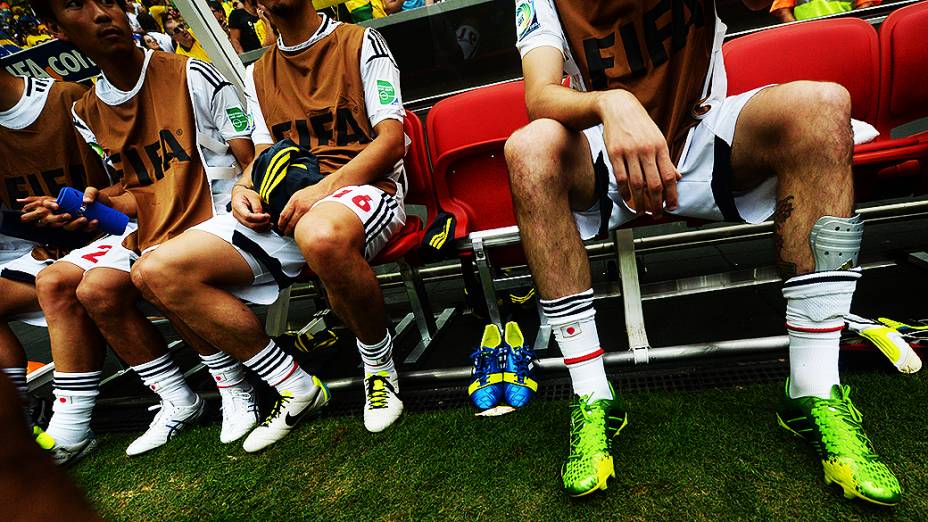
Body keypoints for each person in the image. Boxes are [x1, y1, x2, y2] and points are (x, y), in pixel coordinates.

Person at [505, 0, 902, 505]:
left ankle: (815, 386)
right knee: (529, 149)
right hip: (612, 150)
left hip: (703, 132)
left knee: (823, 106)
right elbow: (539, 95)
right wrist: (612, 104)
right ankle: (591, 395)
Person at [133, 0, 407, 450]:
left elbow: (392, 140)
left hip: (363, 188)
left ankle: (379, 369)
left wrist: (323, 190)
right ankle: (294, 385)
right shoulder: (259, 71)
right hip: (286, 202)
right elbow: (262, 154)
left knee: (319, 234)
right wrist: (244, 187)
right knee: (154, 270)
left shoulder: (359, 40)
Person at [30, 0, 258, 461]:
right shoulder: (87, 109)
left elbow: (250, 155)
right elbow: (136, 195)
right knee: (87, 287)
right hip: (157, 228)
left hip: (220, 219)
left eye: (109, 1)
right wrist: (90, 206)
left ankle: (236, 384)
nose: (101, 14)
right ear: (54, 28)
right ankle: (180, 399)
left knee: (150, 266)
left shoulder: (192, 73)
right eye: (78, 5)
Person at [0, 68, 109, 453]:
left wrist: (83, 208)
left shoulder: (67, 99)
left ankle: (72, 428)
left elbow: (131, 182)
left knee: (58, 285)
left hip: (112, 235)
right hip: (47, 252)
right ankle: (17, 421)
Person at [770, 0, 879, 22]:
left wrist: (847, 27)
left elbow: (866, 5)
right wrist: (798, 30)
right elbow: (783, 10)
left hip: (843, 29)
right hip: (808, 32)